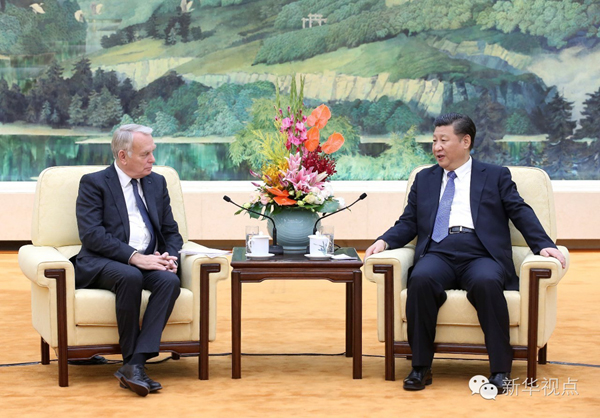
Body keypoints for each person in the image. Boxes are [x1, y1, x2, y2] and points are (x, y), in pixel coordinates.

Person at [365, 113, 566, 392]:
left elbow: (519, 211)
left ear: (465, 141)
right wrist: (385, 241)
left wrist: (543, 244)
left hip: (480, 252)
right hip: (439, 251)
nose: (436, 147)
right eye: (434, 141)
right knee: (420, 280)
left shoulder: (495, 175)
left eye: (443, 140)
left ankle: (500, 370)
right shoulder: (424, 179)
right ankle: (420, 367)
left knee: (486, 282)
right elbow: (409, 221)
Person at [75, 124, 183, 397]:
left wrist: (169, 257)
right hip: (103, 261)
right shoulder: (94, 183)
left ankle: (135, 364)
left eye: (152, 152)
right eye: (145, 154)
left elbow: (171, 231)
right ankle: (131, 363)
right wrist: (135, 258)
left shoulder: (157, 183)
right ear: (123, 156)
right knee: (130, 275)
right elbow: (91, 235)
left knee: (169, 281)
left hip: (148, 260)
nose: (152, 160)